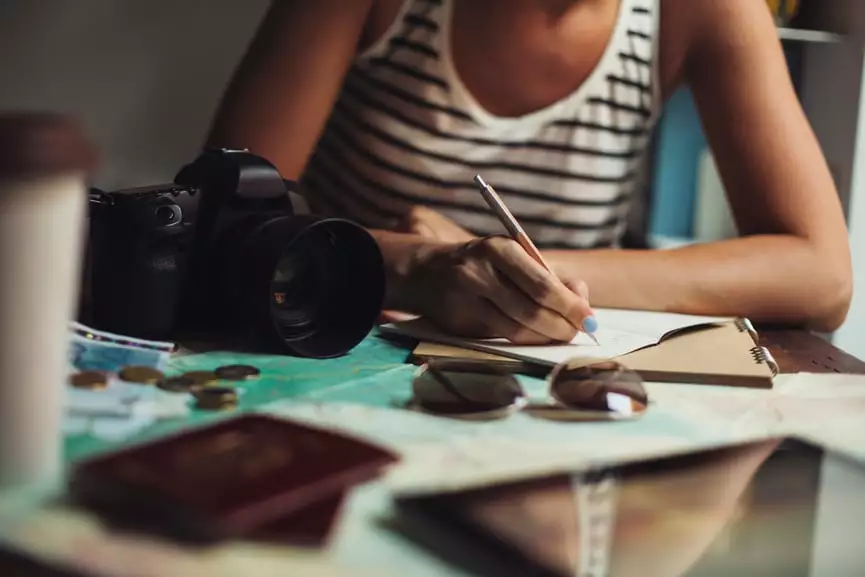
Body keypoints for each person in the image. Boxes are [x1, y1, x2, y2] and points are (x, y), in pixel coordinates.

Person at [207, 0, 852, 344]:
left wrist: (517, 273)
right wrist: (412, 269)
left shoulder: (703, 10)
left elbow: (822, 278)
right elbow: (222, 217)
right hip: (339, 363)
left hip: (553, 403)